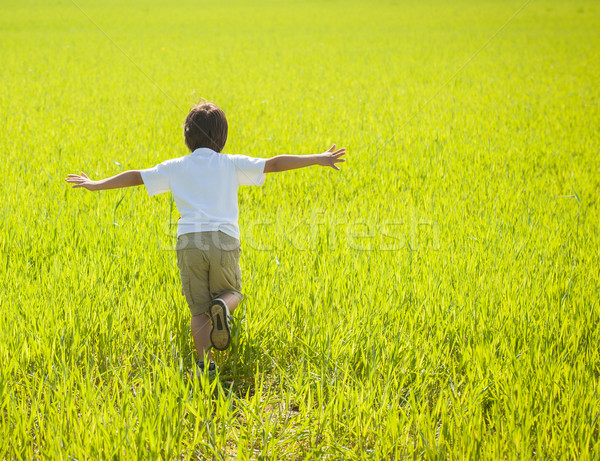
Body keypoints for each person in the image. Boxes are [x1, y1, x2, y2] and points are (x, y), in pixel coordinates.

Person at [65, 102, 346, 379]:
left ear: (188, 136)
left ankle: (204, 367)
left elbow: (135, 177)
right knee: (232, 293)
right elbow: (274, 163)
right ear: (222, 137)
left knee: (199, 310)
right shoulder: (231, 163)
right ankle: (224, 307)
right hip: (223, 240)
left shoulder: (175, 167)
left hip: (188, 242)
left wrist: (96, 184)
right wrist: (318, 157)